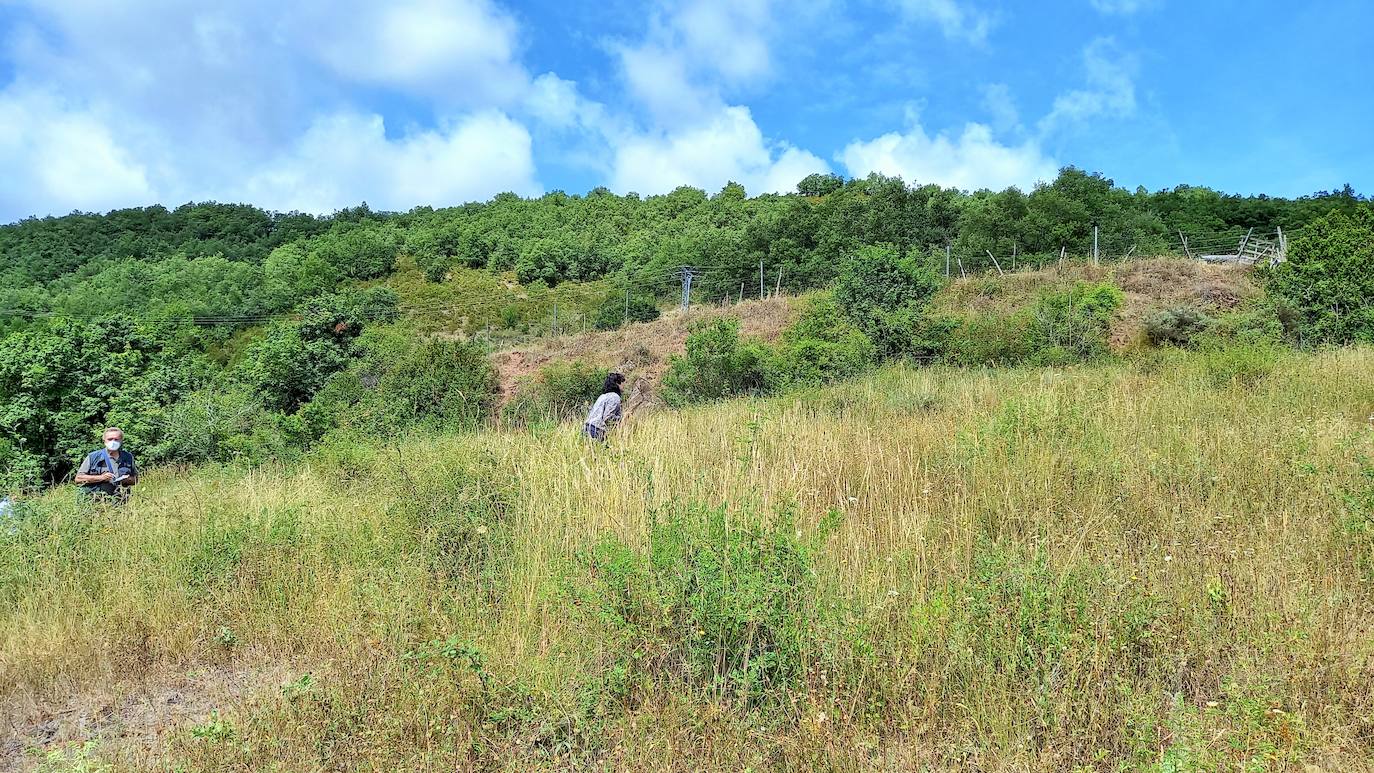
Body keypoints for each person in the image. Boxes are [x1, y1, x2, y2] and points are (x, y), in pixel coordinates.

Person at [74, 427, 139, 501]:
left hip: (120, 501)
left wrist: (127, 480)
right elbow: (78, 479)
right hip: (95, 501)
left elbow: (135, 479)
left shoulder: (128, 457)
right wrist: (101, 478)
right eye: (110, 439)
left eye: (116, 439)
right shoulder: (93, 457)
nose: (113, 442)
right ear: (104, 441)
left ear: (121, 441)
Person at [584, 372, 625, 443]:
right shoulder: (615, 397)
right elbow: (608, 417)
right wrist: (622, 419)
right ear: (617, 383)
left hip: (587, 428)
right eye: (622, 382)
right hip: (596, 430)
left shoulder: (603, 396)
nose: (624, 385)